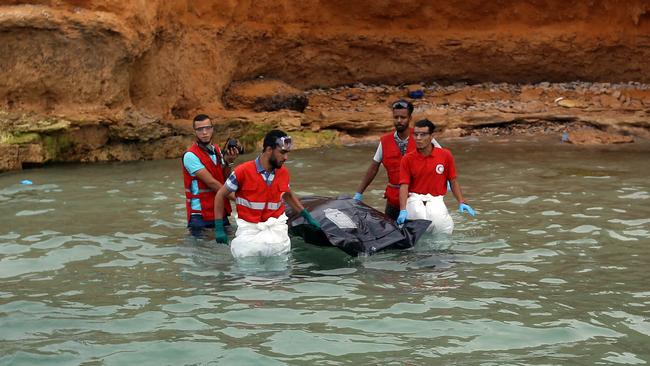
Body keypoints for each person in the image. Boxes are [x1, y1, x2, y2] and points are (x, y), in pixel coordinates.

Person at [213, 129, 321, 257]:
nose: (286, 158)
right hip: (249, 233)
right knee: (249, 274)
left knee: (279, 274)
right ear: (269, 150)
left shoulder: (283, 172)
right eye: (282, 152)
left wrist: (307, 216)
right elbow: (220, 194)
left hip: (277, 233)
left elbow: (288, 194)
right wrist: (219, 228)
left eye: (287, 153)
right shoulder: (242, 171)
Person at [354, 99, 442, 220]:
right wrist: (359, 193)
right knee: (389, 234)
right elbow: (374, 167)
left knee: (421, 236)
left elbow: (442, 159)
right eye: (396, 117)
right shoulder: (385, 141)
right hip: (393, 200)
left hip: (419, 199)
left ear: (410, 118)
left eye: (403, 117)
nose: (399, 120)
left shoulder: (422, 136)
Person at [396, 119, 475, 234]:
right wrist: (403, 210)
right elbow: (404, 186)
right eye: (416, 134)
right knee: (415, 238)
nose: (418, 138)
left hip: (436, 201)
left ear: (432, 136)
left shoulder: (445, 155)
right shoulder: (407, 159)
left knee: (443, 232)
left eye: (422, 134)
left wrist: (461, 201)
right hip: (414, 201)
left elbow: (453, 181)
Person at [182, 114, 239, 237]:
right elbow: (212, 183)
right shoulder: (190, 156)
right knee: (205, 253)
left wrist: (229, 162)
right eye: (200, 129)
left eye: (207, 128)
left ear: (212, 129)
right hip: (200, 215)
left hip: (219, 210)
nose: (204, 132)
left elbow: (225, 178)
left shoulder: (217, 150)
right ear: (195, 132)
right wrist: (240, 200)